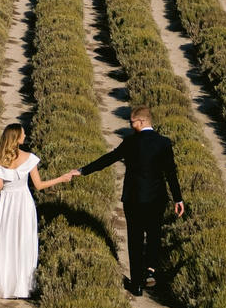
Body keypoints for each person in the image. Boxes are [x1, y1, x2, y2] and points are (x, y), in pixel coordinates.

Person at [75, 103, 184, 294]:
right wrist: (178, 199)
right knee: (154, 235)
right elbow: (170, 174)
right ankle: (151, 270)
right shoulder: (164, 143)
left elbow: (108, 159)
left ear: (141, 122)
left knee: (134, 238)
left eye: (132, 122)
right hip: (157, 198)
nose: (130, 125)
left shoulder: (130, 142)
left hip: (133, 198)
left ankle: (137, 284)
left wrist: (83, 171)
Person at [0, 122, 58, 300]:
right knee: (24, 239)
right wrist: (60, 179)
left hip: (6, 202)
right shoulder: (29, 158)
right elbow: (39, 185)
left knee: (5, 240)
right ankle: (24, 285)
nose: (25, 136)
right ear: (16, 138)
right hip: (23, 201)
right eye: (23, 134)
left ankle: (5, 283)